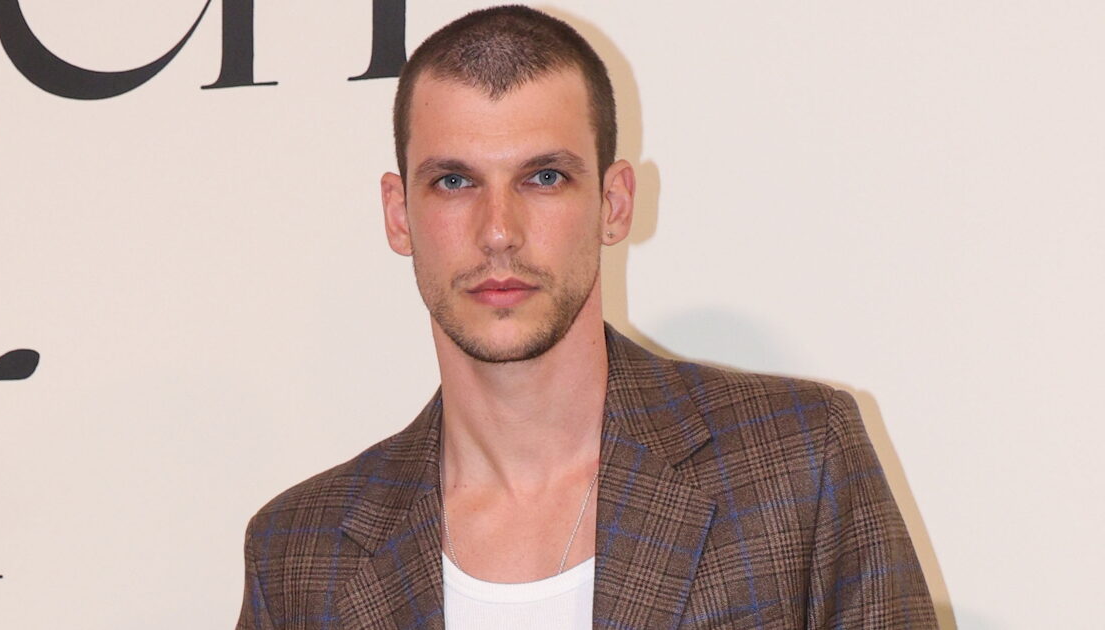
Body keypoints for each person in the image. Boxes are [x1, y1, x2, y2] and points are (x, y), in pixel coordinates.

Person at [236, 5, 938, 629]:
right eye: (454, 181)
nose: (499, 231)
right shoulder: (299, 552)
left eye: (544, 178)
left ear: (614, 203)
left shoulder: (798, 465)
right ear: (398, 215)